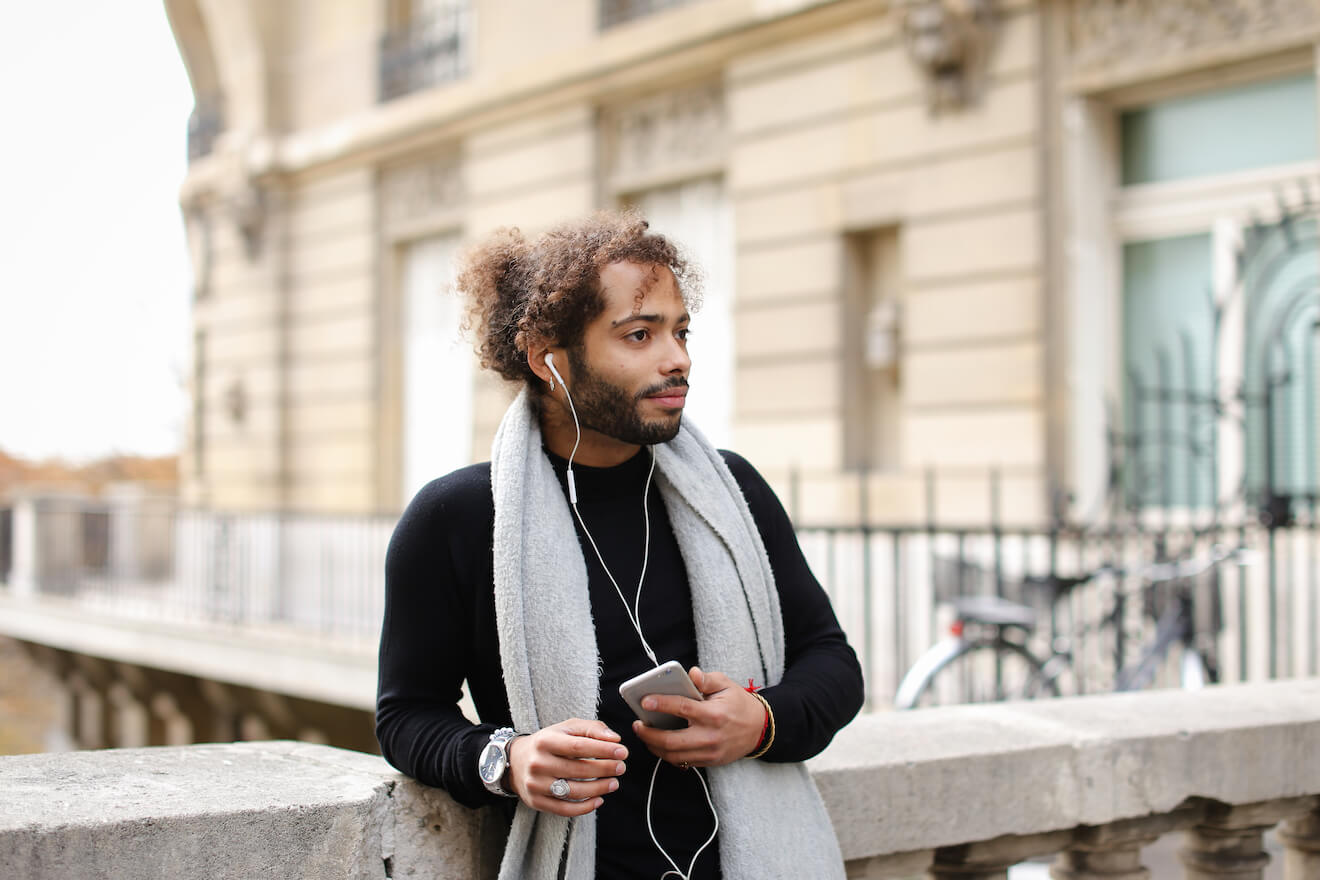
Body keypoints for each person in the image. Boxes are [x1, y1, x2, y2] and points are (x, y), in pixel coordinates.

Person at [376, 210, 864, 880]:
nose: (678, 359)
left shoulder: (733, 492)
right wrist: (506, 759)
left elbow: (833, 663)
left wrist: (760, 720)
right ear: (547, 355)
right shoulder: (458, 517)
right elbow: (406, 716)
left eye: (681, 331)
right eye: (640, 334)